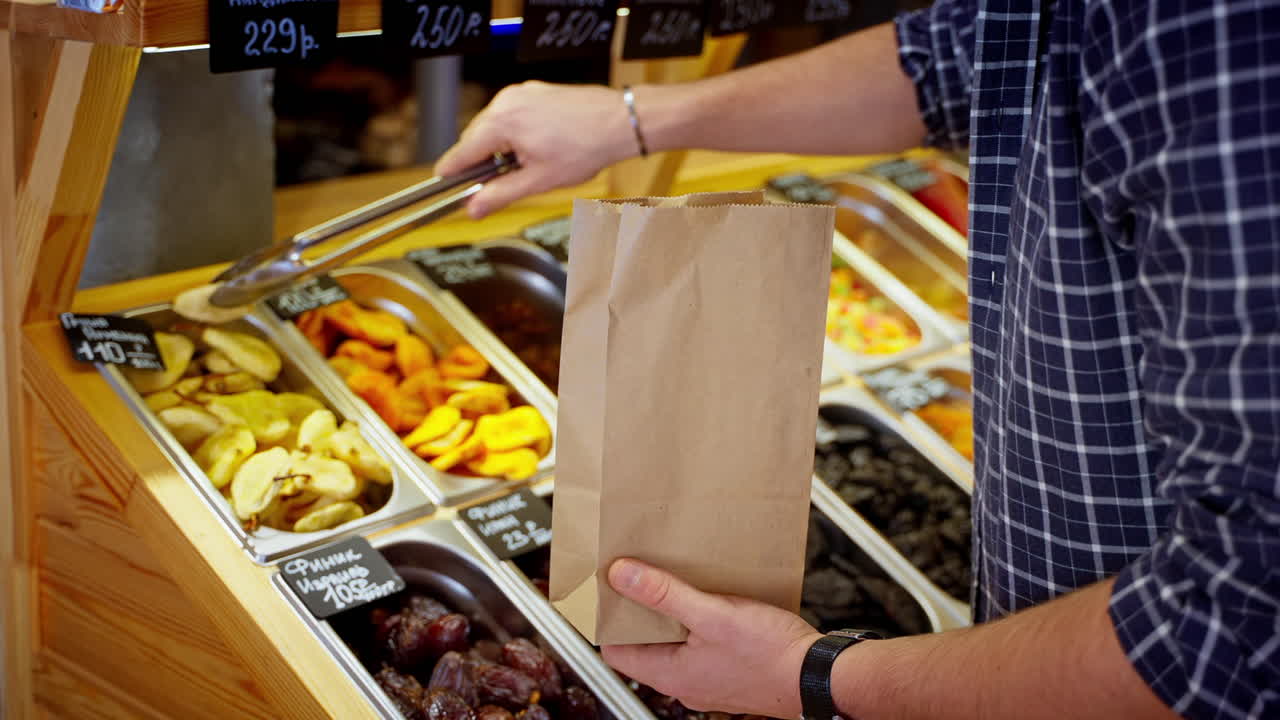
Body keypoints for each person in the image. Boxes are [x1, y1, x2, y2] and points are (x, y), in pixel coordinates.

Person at [438, 2, 1280, 718]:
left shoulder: (1212, 39)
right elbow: (961, 52)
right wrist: (630, 119)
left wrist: (815, 677)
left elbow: (1229, 631)